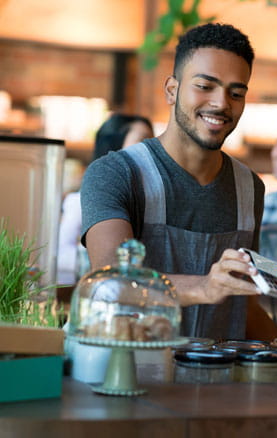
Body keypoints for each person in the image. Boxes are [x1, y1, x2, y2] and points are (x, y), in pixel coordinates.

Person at [80, 23, 265, 340]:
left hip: (220, 384)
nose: (221, 103)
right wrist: (205, 286)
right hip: (129, 377)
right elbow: (110, 282)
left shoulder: (250, 188)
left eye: (236, 93)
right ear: (171, 90)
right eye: (205, 86)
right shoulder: (115, 174)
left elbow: (240, 303)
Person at [57, 114, 154, 284]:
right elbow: (59, 255)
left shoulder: (151, 198)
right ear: (115, 145)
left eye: (153, 140)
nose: (150, 149)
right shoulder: (81, 200)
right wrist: (100, 257)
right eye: (142, 140)